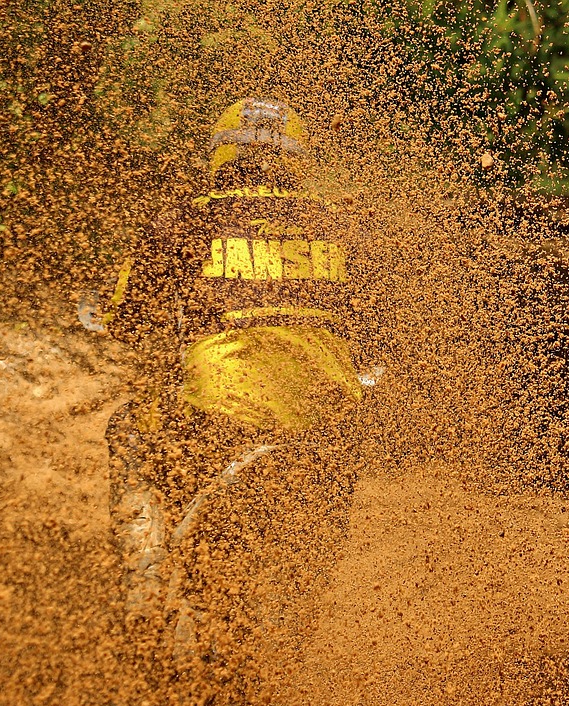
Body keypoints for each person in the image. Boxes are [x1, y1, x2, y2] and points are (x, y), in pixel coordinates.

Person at [98, 98, 375, 644]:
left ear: (222, 153)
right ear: (297, 158)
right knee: (330, 499)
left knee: (126, 430)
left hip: (223, 400)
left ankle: (146, 573)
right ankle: (307, 589)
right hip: (327, 411)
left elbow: (127, 321)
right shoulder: (342, 225)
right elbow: (380, 327)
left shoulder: (187, 218)